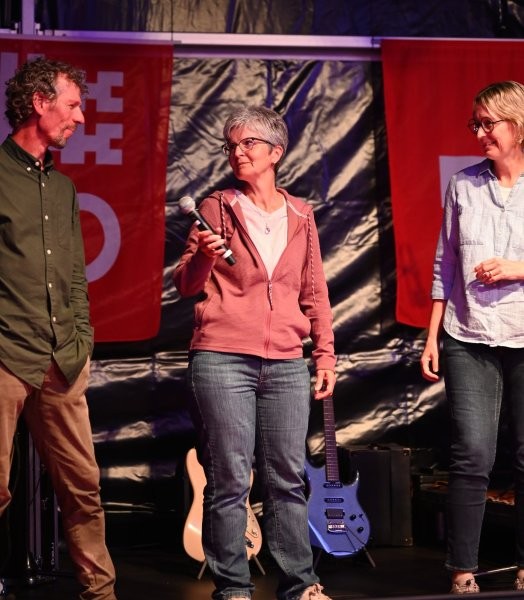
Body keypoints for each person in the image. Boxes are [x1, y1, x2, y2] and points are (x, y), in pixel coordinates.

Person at [174, 105, 336, 600]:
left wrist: (324, 354)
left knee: (288, 477)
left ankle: (301, 585)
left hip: (286, 360)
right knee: (229, 479)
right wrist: (203, 258)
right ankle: (234, 589)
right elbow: (185, 284)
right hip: (223, 357)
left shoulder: (301, 214)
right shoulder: (215, 207)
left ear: (275, 152)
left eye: (248, 143)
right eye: (231, 145)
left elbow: (314, 291)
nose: (238, 152)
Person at [0, 58, 117, 600]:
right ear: (39, 102)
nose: (81, 117)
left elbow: (74, 276)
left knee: (83, 489)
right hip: (6, 355)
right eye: (72, 105)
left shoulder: (65, 188)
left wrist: (81, 340)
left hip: (62, 359)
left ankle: (101, 595)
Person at [421, 80, 524, 595]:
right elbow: (445, 262)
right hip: (468, 334)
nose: (480, 132)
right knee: (472, 453)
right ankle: (462, 570)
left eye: (489, 123)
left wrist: (517, 268)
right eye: (475, 124)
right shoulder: (463, 185)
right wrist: (432, 335)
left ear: (518, 125)